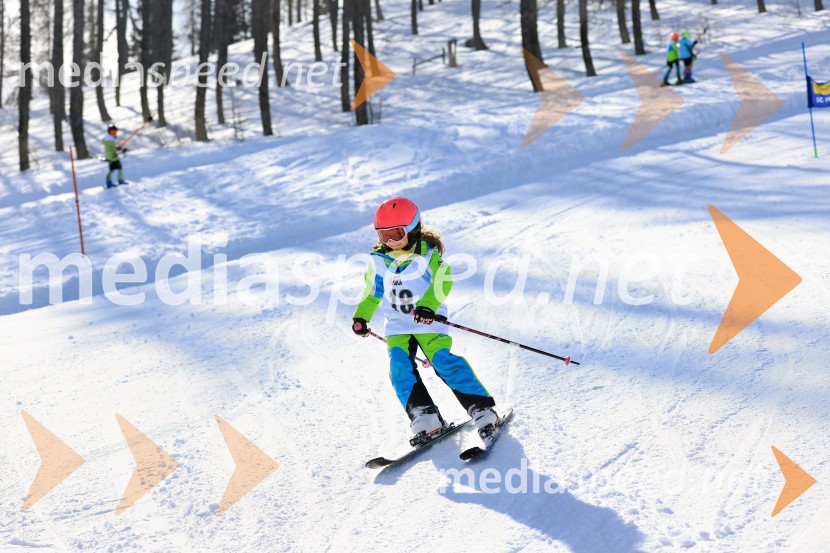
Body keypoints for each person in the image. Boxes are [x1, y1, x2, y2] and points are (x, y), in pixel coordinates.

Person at [352, 197, 500, 446]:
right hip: (398, 327)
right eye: (382, 235)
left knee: (444, 362)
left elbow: (442, 282)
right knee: (399, 369)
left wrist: (428, 308)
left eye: (395, 234)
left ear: (412, 229)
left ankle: (483, 410)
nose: (389, 241)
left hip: (427, 322)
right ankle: (425, 416)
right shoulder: (378, 261)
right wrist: (361, 317)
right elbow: (372, 293)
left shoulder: (429, 256)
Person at [102, 124, 128, 189]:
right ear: (109, 132)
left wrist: (118, 149)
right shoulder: (109, 140)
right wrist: (112, 156)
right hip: (112, 157)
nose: (114, 133)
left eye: (115, 131)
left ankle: (120, 181)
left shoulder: (111, 139)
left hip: (114, 157)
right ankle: (109, 183)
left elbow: (113, 148)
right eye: (112, 132)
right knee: (112, 170)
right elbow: (109, 150)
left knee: (119, 168)